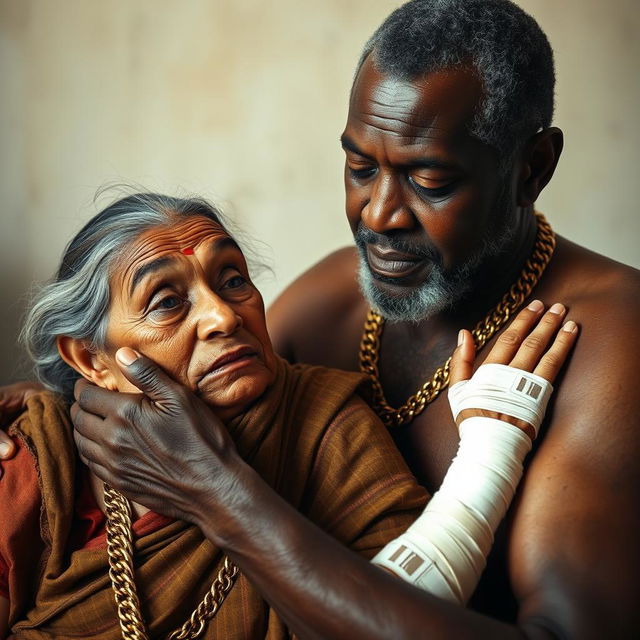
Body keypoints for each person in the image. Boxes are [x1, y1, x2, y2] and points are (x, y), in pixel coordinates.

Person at [1, 0, 638, 636]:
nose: (379, 215)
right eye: (361, 167)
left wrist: (216, 494)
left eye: (431, 180)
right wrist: (46, 406)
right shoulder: (336, 294)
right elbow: (189, 375)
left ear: (533, 168)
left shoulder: (610, 339)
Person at [0, 191, 573, 639]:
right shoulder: (38, 453)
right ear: (88, 359)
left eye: (233, 280)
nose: (224, 316)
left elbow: (409, 611)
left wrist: (212, 483)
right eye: (168, 302)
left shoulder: (325, 424)